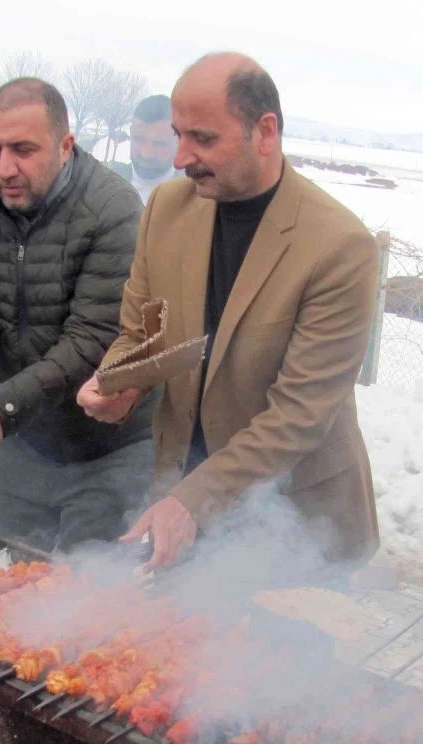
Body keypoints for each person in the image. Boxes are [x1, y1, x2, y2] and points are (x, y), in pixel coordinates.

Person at [77, 52, 379, 570]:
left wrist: (194, 500)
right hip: (180, 499)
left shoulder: (340, 245)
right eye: (178, 135)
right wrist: (120, 380)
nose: (180, 158)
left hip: (297, 524)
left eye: (202, 138)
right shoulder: (166, 209)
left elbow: (298, 415)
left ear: (265, 132)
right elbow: (143, 334)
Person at [0, 77, 155, 555]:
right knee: (13, 575)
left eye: (23, 149)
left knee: (87, 586)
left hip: (109, 444)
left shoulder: (113, 209)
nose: (4, 168)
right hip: (27, 441)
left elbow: (91, 339)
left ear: (65, 145)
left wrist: (0, 408)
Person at [108, 94, 177, 203]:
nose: (146, 153)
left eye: (159, 143)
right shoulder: (107, 183)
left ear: (179, 140)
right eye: (139, 139)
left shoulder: (197, 195)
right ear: (131, 133)